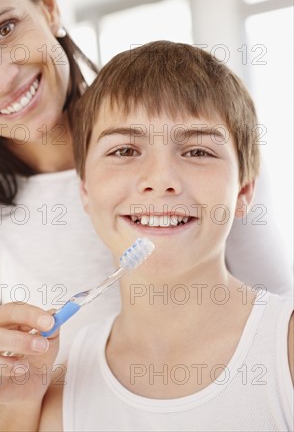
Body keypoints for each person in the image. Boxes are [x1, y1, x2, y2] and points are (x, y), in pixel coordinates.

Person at [0, 0, 291, 432]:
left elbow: (274, 317)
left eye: (5, 29)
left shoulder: (187, 131)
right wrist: (19, 392)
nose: (0, 80)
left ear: (47, 4)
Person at [40, 41, 293, 431]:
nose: (160, 181)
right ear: (85, 190)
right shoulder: (60, 383)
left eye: (197, 152)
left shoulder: (286, 352)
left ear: (243, 192)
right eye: (124, 150)